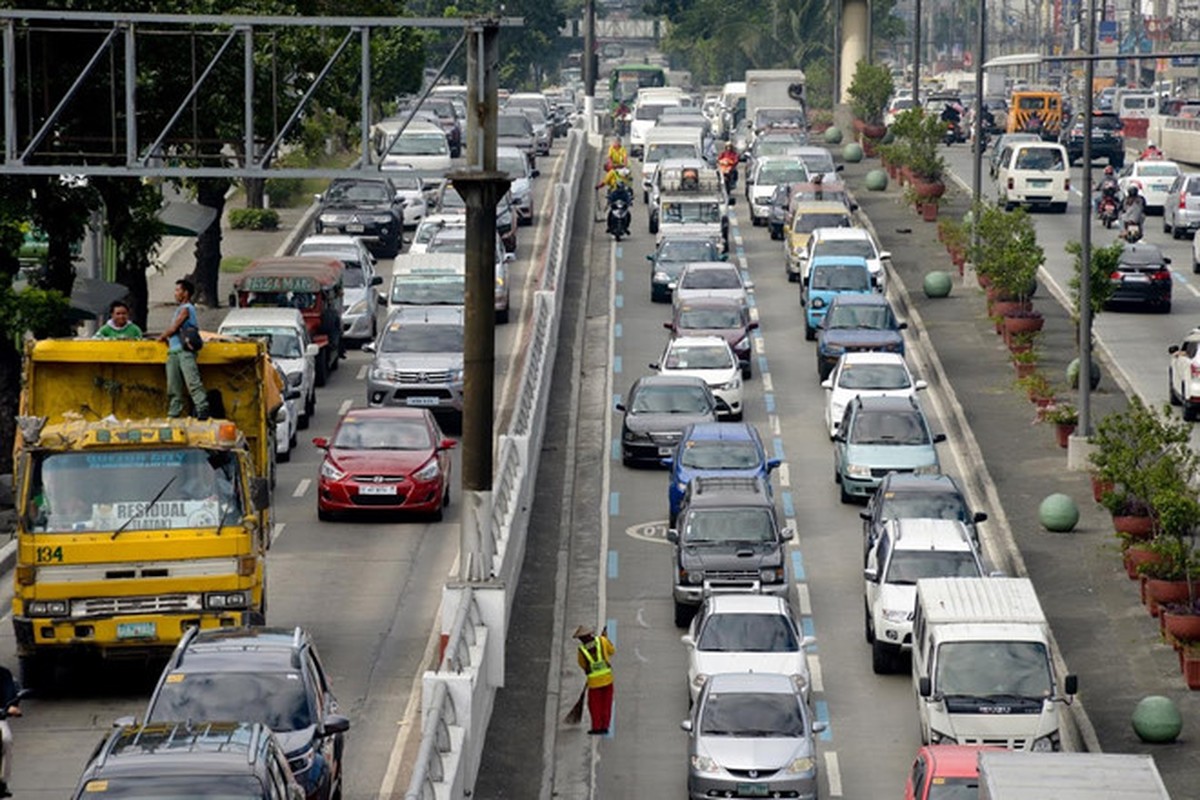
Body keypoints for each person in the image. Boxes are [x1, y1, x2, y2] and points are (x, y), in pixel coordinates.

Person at [157, 278, 209, 420]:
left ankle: (202, 408)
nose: (176, 293)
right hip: (173, 351)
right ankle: (174, 411)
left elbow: (174, 328)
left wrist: (162, 336)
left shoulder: (187, 309)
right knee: (173, 384)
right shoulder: (180, 309)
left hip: (185, 350)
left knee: (192, 380)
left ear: (186, 293)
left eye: (178, 290)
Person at [574, 625, 615, 735]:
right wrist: (606, 639)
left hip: (594, 683)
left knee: (595, 705)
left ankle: (596, 727)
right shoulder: (602, 641)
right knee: (606, 704)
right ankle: (605, 726)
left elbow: (582, 664)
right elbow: (612, 651)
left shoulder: (582, 650)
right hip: (607, 679)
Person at [0, 663, 22, 798]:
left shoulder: (3, 675)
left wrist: (11, 708)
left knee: (6, 739)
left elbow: (11, 698)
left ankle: (2, 781)